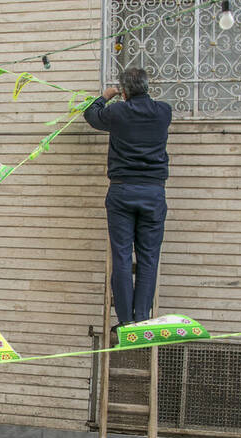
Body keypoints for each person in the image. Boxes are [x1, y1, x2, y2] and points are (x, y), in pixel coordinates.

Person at [83, 67, 172, 343]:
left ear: (124, 91)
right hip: (153, 192)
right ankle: (142, 318)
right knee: (149, 257)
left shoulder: (118, 112)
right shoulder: (164, 111)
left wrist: (104, 97)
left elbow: (91, 115)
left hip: (122, 191)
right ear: (147, 86)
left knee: (122, 256)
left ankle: (125, 321)